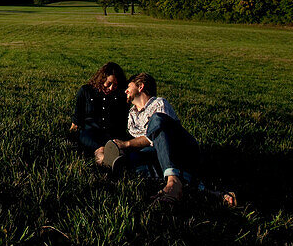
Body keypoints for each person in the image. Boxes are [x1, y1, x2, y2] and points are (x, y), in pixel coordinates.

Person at [97, 72, 236, 208]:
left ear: (140, 87)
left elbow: (157, 137)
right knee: (127, 161)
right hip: (160, 157)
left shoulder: (158, 104)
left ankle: (173, 182)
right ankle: (208, 192)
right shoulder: (132, 115)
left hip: (181, 150)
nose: (126, 90)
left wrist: (127, 144)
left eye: (129, 86)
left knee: (157, 121)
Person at [69, 62, 128, 159]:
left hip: (112, 134)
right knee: (101, 150)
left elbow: (122, 121)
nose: (111, 88)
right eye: (109, 83)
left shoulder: (120, 96)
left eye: (115, 85)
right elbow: (77, 118)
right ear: (102, 79)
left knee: (118, 150)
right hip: (90, 132)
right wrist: (71, 136)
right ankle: (106, 164)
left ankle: (118, 163)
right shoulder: (86, 91)